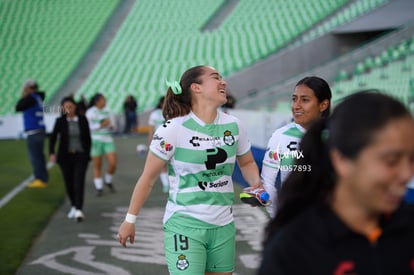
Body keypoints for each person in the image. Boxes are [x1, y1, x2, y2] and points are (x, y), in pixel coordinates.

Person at [118, 65, 264, 275]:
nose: (224, 82)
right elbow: (148, 178)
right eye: (216, 78)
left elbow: (248, 163)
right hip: (184, 224)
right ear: (196, 88)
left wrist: (256, 184)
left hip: (224, 226)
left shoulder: (234, 125)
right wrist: (129, 220)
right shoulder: (172, 129)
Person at [258, 92, 414, 274]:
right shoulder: (294, 248)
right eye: (391, 160)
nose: (406, 174)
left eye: (411, 159)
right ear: (341, 160)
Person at [261, 76, 331, 217]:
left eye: (304, 100)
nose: (296, 106)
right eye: (294, 99)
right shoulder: (280, 135)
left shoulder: (338, 135)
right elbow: (267, 182)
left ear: (323, 105)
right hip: (293, 223)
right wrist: (278, 217)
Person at [49, 97, 91, 222]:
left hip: (80, 155)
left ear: (75, 107)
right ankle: (73, 205)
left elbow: (87, 139)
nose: (69, 109)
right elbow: (53, 138)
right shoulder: (60, 121)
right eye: (66, 107)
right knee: (69, 182)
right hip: (65, 157)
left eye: (70, 106)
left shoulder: (82, 120)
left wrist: (87, 153)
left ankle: (79, 209)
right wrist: (52, 152)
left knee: (79, 181)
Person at [15, 79, 49, 188]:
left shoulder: (30, 98)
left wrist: (24, 95)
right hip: (38, 129)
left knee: (35, 157)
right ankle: (42, 178)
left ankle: (40, 179)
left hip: (34, 130)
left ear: (30, 88)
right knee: (39, 156)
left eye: (25, 87)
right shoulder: (37, 97)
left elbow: (18, 107)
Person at [85, 93, 117, 196]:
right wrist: (100, 125)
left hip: (108, 139)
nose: (105, 101)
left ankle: (108, 179)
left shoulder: (108, 111)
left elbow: (114, 125)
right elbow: (87, 127)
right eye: (103, 99)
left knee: (113, 163)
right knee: (97, 165)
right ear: (97, 101)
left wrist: (111, 126)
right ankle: (99, 187)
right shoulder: (90, 112)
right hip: (95, 140)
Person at [147, 96, 169, 193]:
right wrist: (150, 141)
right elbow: (151, 129)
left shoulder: (173, 111)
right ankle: (166, 184)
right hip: (161, 141)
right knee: (163, 163)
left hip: (172, 139)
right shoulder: (154, 114)